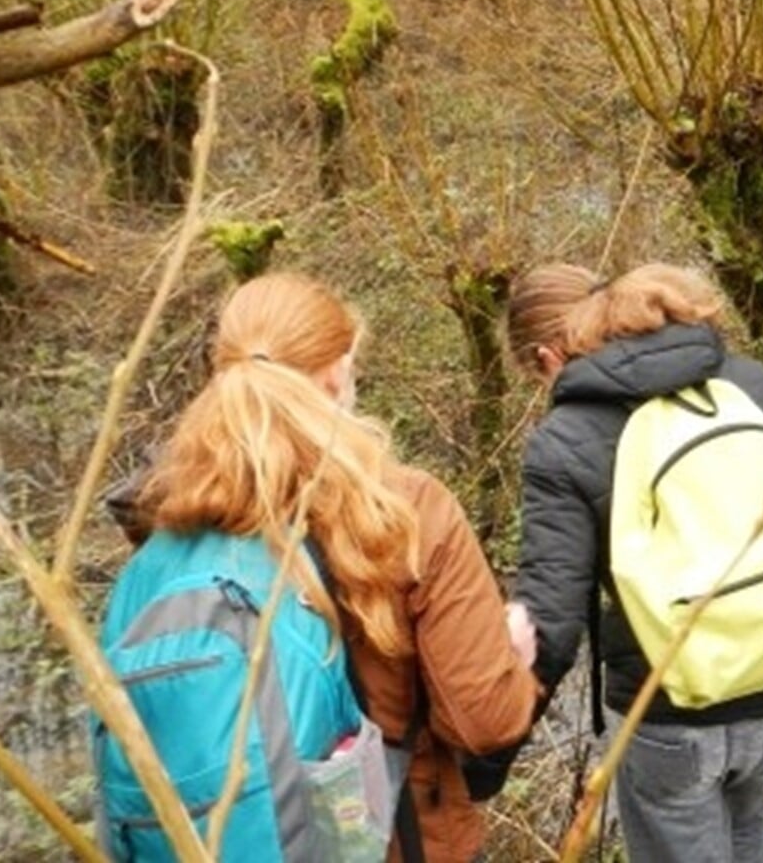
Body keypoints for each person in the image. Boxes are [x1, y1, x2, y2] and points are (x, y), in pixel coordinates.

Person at [105, 273, 539, 862]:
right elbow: (484, 722)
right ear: (337, 373)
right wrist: (511, 658)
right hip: (396, 842)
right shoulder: (405, 508)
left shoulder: (167, 522)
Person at [503, 263, 763, 863]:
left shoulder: (567, 438)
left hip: (671, 714)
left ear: (551, 355)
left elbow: (550, 625)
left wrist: (484, 760)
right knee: (751, 814)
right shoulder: (754, 386)